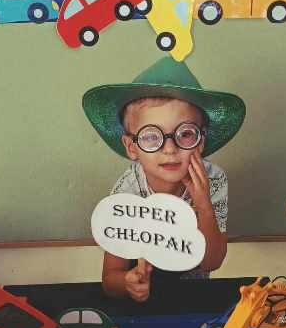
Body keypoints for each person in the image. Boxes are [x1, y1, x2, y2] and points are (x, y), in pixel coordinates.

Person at [82, 56, 245, 302]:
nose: (169, 149)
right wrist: (127, 283)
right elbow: (110, 280)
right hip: (143, 294)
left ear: (200, 141)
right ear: (131, 147)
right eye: (151, 136)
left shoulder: (213, 179)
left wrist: (204, 205)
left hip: (193, 291)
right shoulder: (127, 191)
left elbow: (212, 262)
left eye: (185, 134)